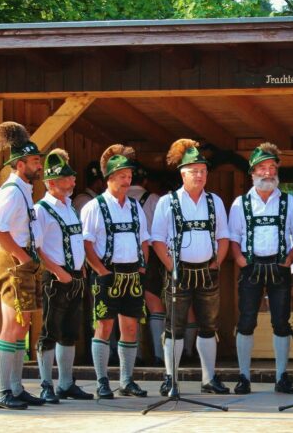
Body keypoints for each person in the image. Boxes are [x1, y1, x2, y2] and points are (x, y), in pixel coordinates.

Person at [151, 139, 231, 395]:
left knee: (209, 325)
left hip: (207, 271)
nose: (200, 175)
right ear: (182, 173)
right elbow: (157, 240)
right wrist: (172, 266)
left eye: (203, 171)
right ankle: (170, 378)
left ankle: (209, 379)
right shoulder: (168, 202)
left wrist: (217, 262)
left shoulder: (214, 201)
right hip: (179, 270)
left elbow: (223, 236)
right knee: (174, 326)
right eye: (194, 171)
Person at [228, 143, 293, 395]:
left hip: (279, 267)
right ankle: (243, 377)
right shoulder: (240, 203)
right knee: (246, 321)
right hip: (251, 268)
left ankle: (282, 377)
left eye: (272, 168)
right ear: (252, 173)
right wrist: (240, 260)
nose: (268, 173)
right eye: (262, 168)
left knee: (281, 322)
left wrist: (289, 259)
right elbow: (233, 237)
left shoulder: (288, 201)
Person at [81, 144, 150, 399]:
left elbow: (144, 238)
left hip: (132, 273)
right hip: (106, 273)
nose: (127, 179)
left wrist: (142, 266)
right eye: (122, 175)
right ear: (109, 178)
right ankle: (101, 381)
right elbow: (86, 243)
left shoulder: (134, 206)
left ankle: (126, 380)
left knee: (130, 328)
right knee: (104, 326)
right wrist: (101, 271)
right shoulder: (94, 207)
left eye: (129, 175)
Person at [0, 121, 47, 409]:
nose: (40, 165)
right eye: (35, 161)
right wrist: (23, 257)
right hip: (13, 259)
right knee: (12, 325)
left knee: (23, 326)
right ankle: (2, 391)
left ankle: (15, 387)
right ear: (20, 163)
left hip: (22, 257)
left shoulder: (23, 188)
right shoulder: (11, 190)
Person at [34, 149, 93, 403]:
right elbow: (35, 247)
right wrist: (57, 271)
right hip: (56, 279)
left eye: (72, 177)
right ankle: (46, 384)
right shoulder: (41, 209)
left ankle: (66, 383)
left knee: (70, 331)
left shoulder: (70, 207)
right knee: (49, 331)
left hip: (75, 277)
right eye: (67, 178)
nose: (73, 181)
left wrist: (80, 267)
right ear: (51, 182)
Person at [128, 162, 165, 367]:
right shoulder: (154, 200)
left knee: (127, 306)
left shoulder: (118, 200)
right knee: (154, 301)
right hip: (150, 254)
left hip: (123, 257)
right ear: (144, 181)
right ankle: (160, 355)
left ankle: (135, 355)